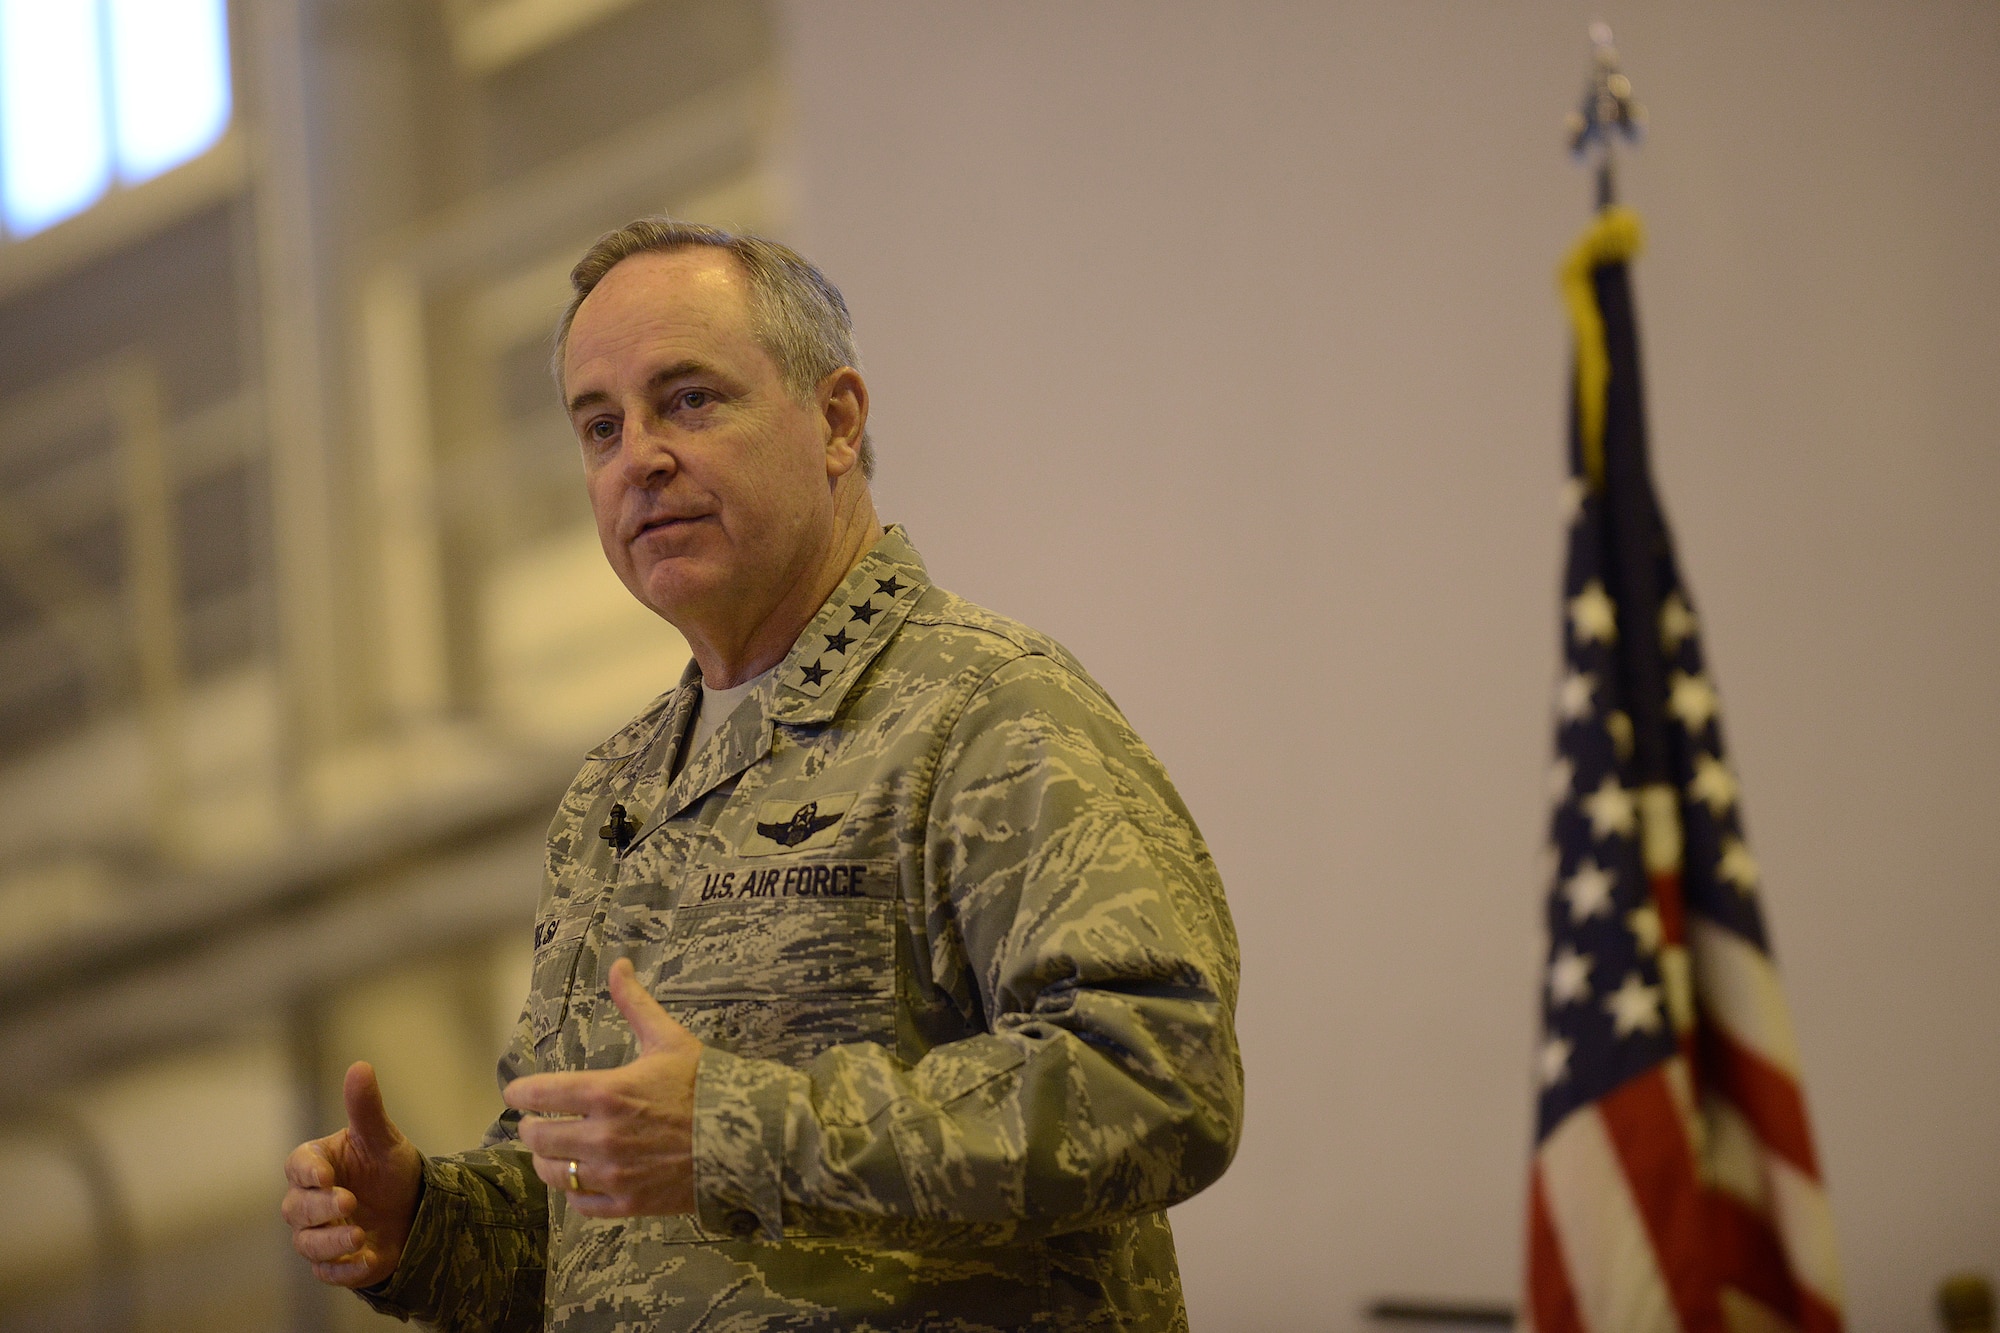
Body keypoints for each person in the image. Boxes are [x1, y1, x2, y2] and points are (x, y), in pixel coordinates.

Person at [280, 219, 1243, 1331]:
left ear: (836, 421)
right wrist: (425, 1225)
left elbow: (1159, 1080)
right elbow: (582, 1213)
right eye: (600, 426)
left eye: (687, 399)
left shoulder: (985, 714)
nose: (638, 454)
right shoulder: (610, 796)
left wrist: (734, 1129)